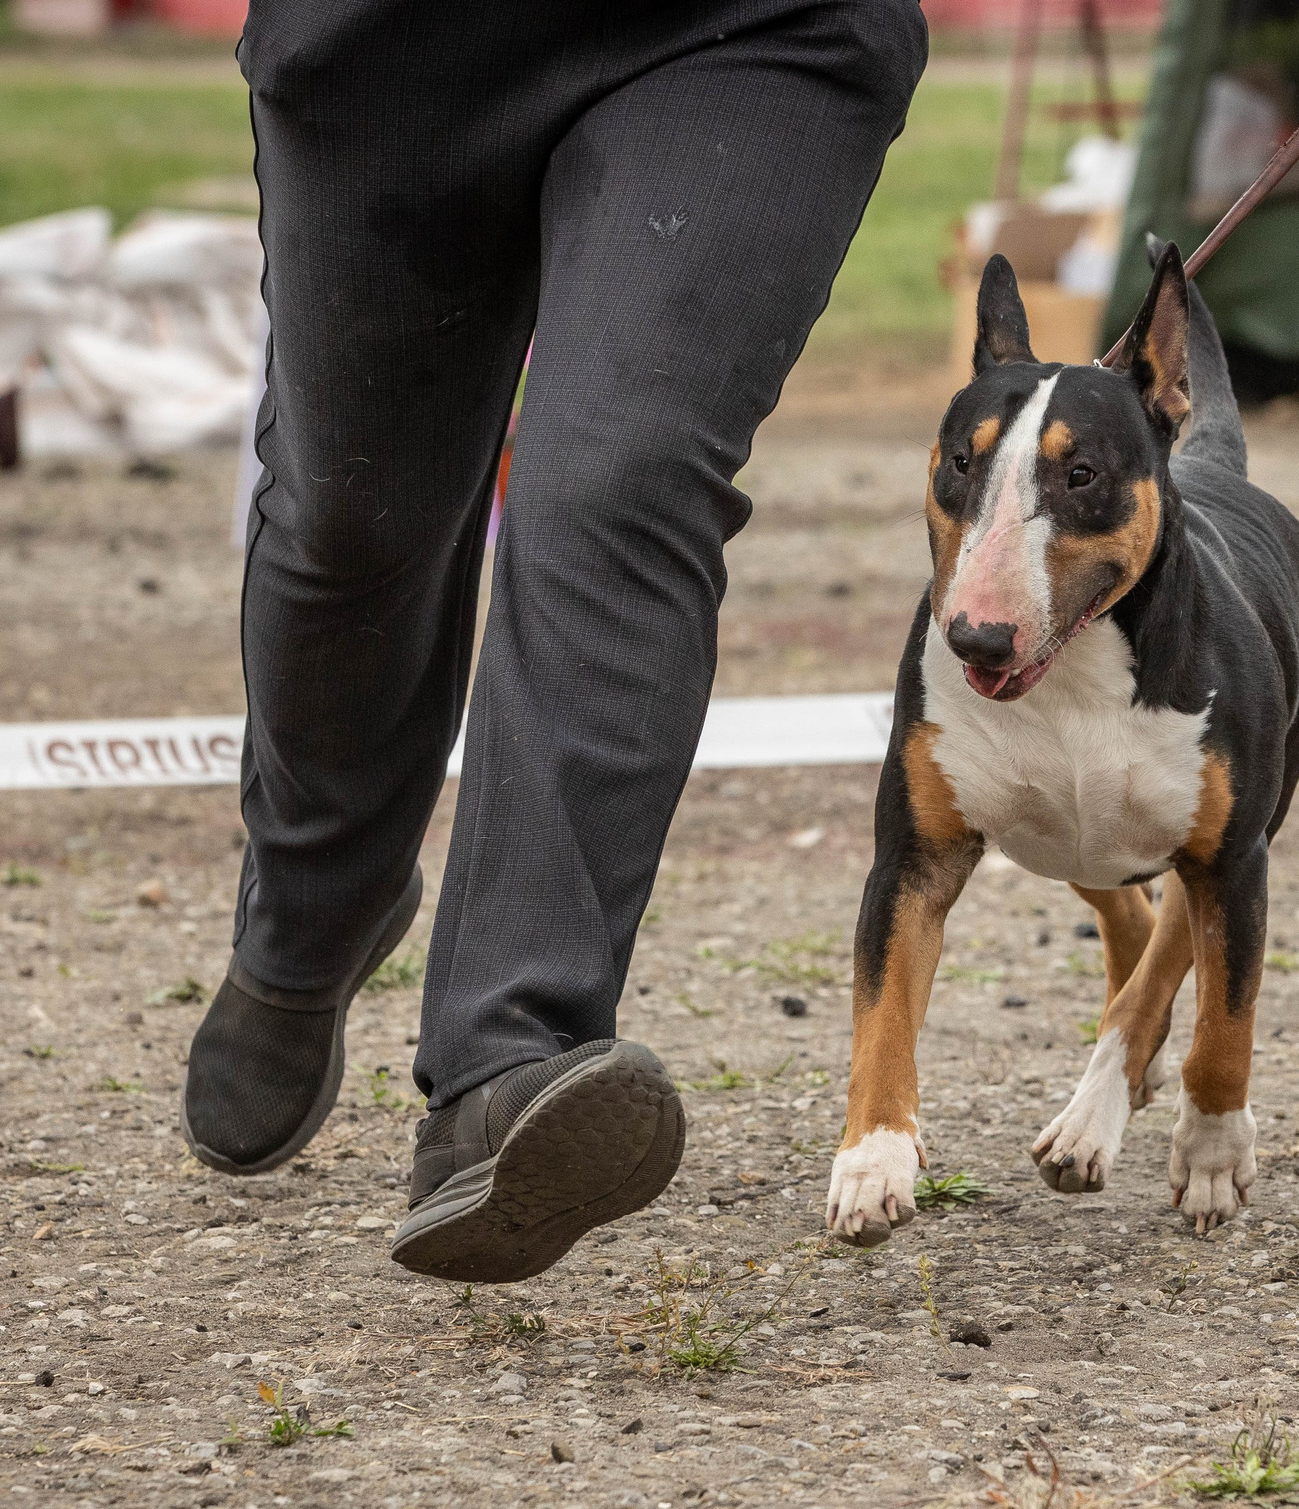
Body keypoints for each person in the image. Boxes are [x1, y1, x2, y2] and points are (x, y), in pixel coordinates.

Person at [178, 4, 927, 1285]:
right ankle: (314, 905)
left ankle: (505, 1063)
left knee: (620, 479)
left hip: (753, 28)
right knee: (355, 515)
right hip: (387, 49)